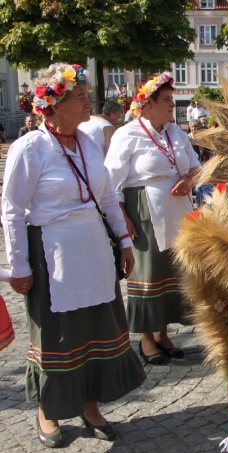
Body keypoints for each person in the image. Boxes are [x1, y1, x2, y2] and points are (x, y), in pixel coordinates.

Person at [1, 63, 145, 447]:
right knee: (58, 336)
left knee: (97, 328)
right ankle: (48, 410)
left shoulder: (89, 142)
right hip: (52, 255)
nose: (88, 103)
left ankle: (90, 404)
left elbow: (107, 197)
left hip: (94, 251)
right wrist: (18, 264)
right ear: (55, 105)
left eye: (86, 97)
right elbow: (12, 209)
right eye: (80, 98)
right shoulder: (30, 148)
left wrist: (124, 241)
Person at [105, 72, 201, 365]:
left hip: (178, 211)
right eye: (166, 100)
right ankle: (146, 339)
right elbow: (110, 182)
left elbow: (197, 166)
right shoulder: (128, 134)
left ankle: (163, 333)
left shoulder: (176, 132)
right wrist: (123, 219)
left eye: (172, 100)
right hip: (144, 211)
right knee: (148, 275)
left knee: (172, 273)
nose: (172, 105)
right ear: (146, 105)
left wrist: (188, 179)